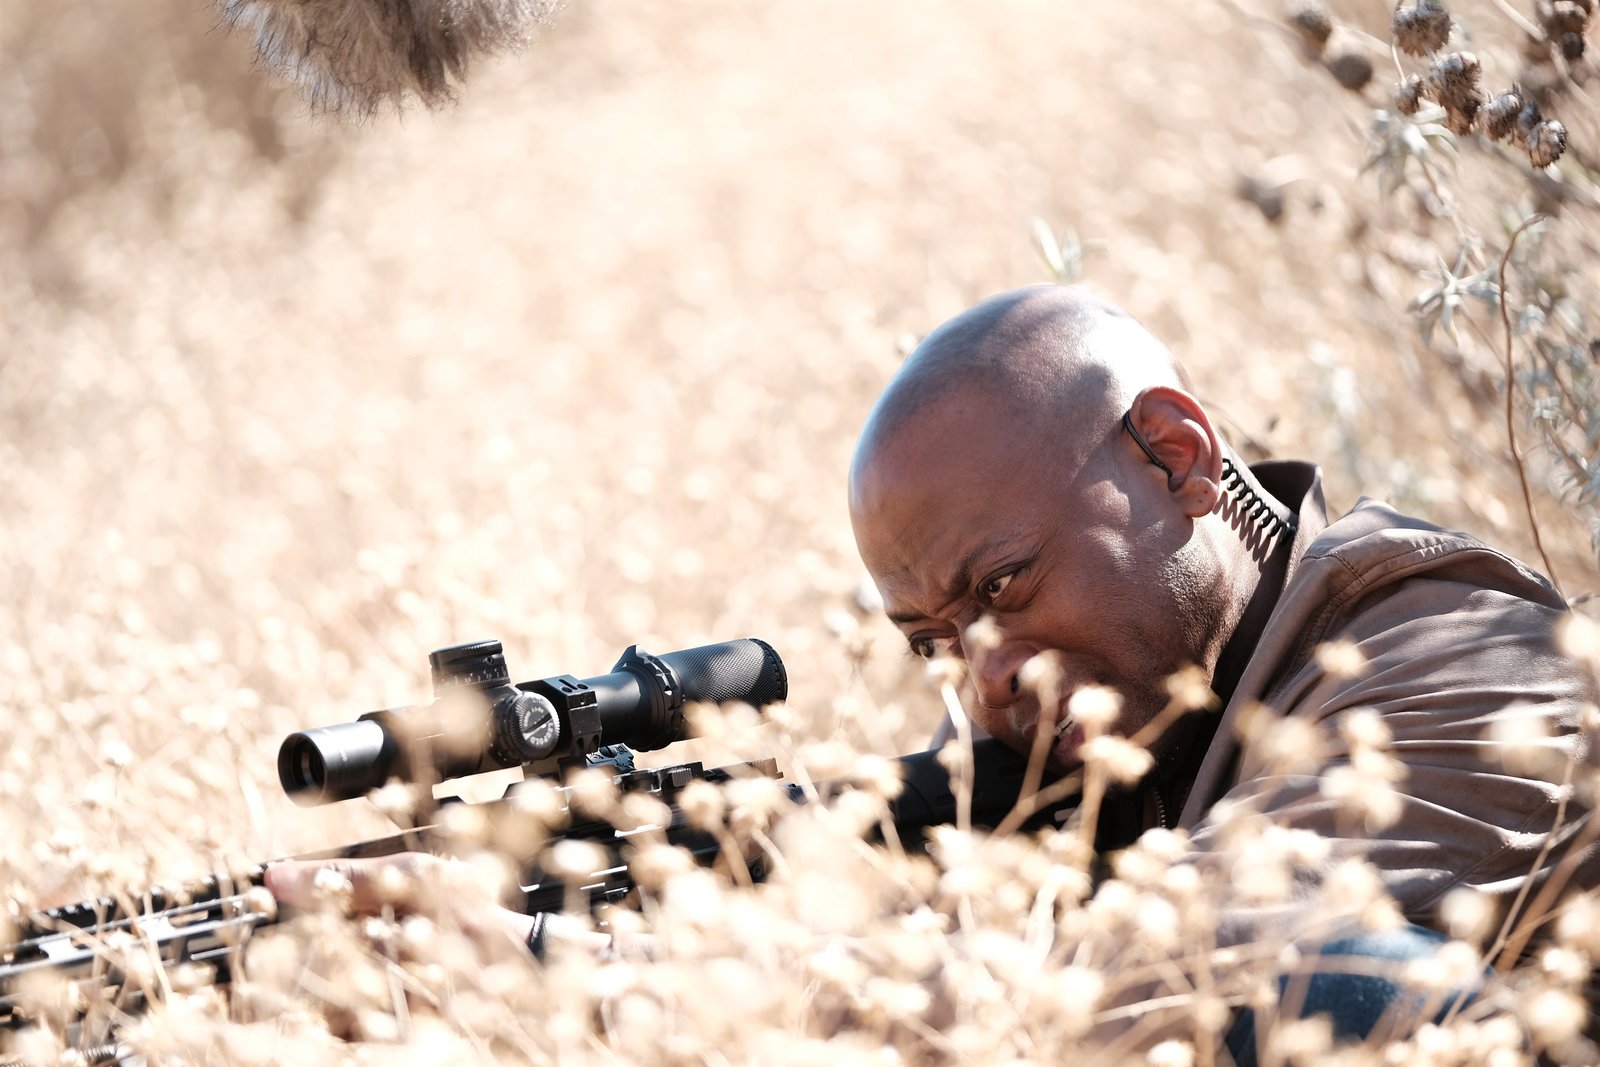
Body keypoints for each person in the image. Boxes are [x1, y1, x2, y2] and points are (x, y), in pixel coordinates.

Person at [269, 285, 1597, 1060]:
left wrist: (583, 977)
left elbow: (1180, 986)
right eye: (933, 642)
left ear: (1176, 457)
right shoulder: (1118, 743)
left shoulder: (1454, 662)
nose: (985, 677)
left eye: (1003, 587)